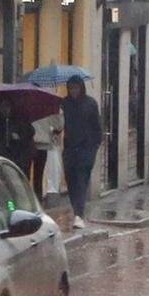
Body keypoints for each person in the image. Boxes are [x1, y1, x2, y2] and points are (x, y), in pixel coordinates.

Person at [60, 79, 108, 209]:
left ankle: (79, 214)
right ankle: (76, 209)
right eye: (71, 88)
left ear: (81, 88)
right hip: (69, 149)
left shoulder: (90, 104)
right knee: (71, 182)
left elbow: (97, 126)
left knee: (81, 181)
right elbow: (60, 125)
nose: (74, 91)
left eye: (76, 88)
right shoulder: (64, 104)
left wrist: (95, 146)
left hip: (86, 149)